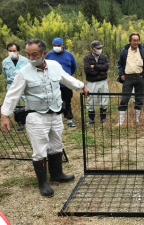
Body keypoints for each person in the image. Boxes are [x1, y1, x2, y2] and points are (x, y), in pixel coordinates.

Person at [1, 39, 89, 198]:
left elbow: (66, 78)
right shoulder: (24, 73)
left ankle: (57, 174)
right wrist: (5, 115)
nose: (31, 58)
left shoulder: (55, 66)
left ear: (44, 53)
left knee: (56, 144)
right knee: (40, 150)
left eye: (35, 54)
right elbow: (12, 94)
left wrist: (81, 87)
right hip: (36, 116)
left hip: (55, 113)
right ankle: (43, 183)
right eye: (28, 55)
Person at [116, 33, 144, 126]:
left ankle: (137, 121)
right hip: (128, 78)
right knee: (124, 99)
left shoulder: (143, 51)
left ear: (139, 41)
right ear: (130, 41)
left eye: (137, 40)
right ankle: (121, 122)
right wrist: (121, 74)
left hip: (140, 78)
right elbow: (119, 64)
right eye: (134, 40)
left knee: (139, 99)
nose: (136, 42)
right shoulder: (124, 51)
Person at [46, 37, 77, 128]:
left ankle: (69, 119)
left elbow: (74, 67)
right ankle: (56, 120)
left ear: (63, 45)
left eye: (58, 45)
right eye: (55, 45)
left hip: (66, 84)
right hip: (53, 84)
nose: (56, 47)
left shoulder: (69, 55)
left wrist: (69, 77)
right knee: (55, 101)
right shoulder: (49, 55)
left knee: (67, 101)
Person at [2, 43, 28, 130]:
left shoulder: (25, 61)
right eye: (10, 51)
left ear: (18, 51)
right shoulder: (5, 62)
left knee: (25, 103)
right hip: (11, 85)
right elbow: (5, 75)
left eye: (14, 50)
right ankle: (20, 122)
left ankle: (26, 121)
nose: (12, 52)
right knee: (14, 104)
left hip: (23, 84)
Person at [84, 40, 109, 124]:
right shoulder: (87, 58)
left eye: (101, 47)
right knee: (91, 101)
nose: (100, 49)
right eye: (98, 48)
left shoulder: (104, 57)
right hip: (91, 82)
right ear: (93, 49)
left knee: (104, 99)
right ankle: (91, 119)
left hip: (103, 81)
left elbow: (106, 67)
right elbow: (88, 70)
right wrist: (100, 70)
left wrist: (94, 67)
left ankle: (103, 118)